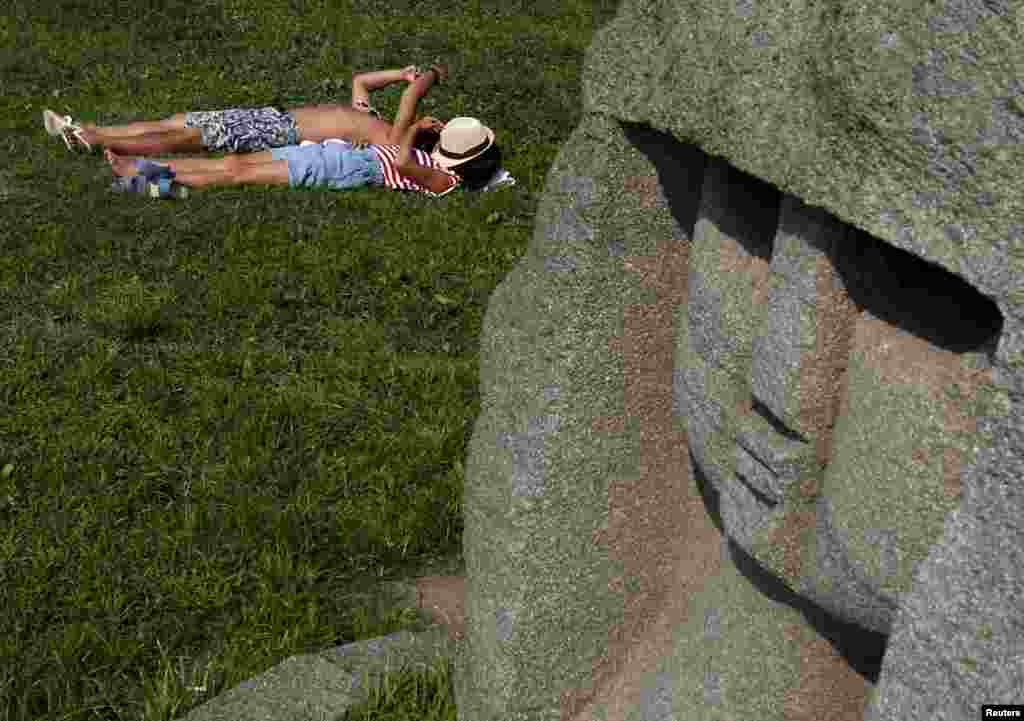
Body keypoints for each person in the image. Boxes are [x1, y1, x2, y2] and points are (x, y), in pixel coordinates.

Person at [42, 63, 448, 156]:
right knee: (179, 121)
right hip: (269, 118)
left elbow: (410, 101)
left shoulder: (389, 138)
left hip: (277, 132)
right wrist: (400, 72)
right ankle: (89, 128)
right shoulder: (373, 119)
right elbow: (361, 81)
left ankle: (94, 139)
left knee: (185, 136)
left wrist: (428, 76)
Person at [104, 115, 503, 199]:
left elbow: (400, 163)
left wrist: (416, 131)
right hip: (340, 156)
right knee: (234, 165)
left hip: (348, 166)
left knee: (236, 171)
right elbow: (397, 136)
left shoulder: (446, 181)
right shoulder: (440, 162)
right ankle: (144, 175)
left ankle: (140, 176)